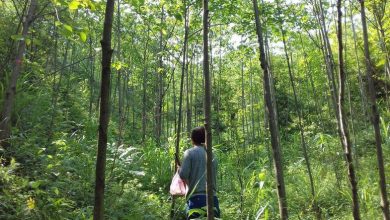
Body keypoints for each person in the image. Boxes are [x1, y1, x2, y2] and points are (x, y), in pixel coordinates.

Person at [178, 126, 220, 219]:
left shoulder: (189, 153)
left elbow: (183, 174)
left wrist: (179, 169)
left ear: (192, 139)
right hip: (213, 200)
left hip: (196, 200)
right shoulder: (212, 155)